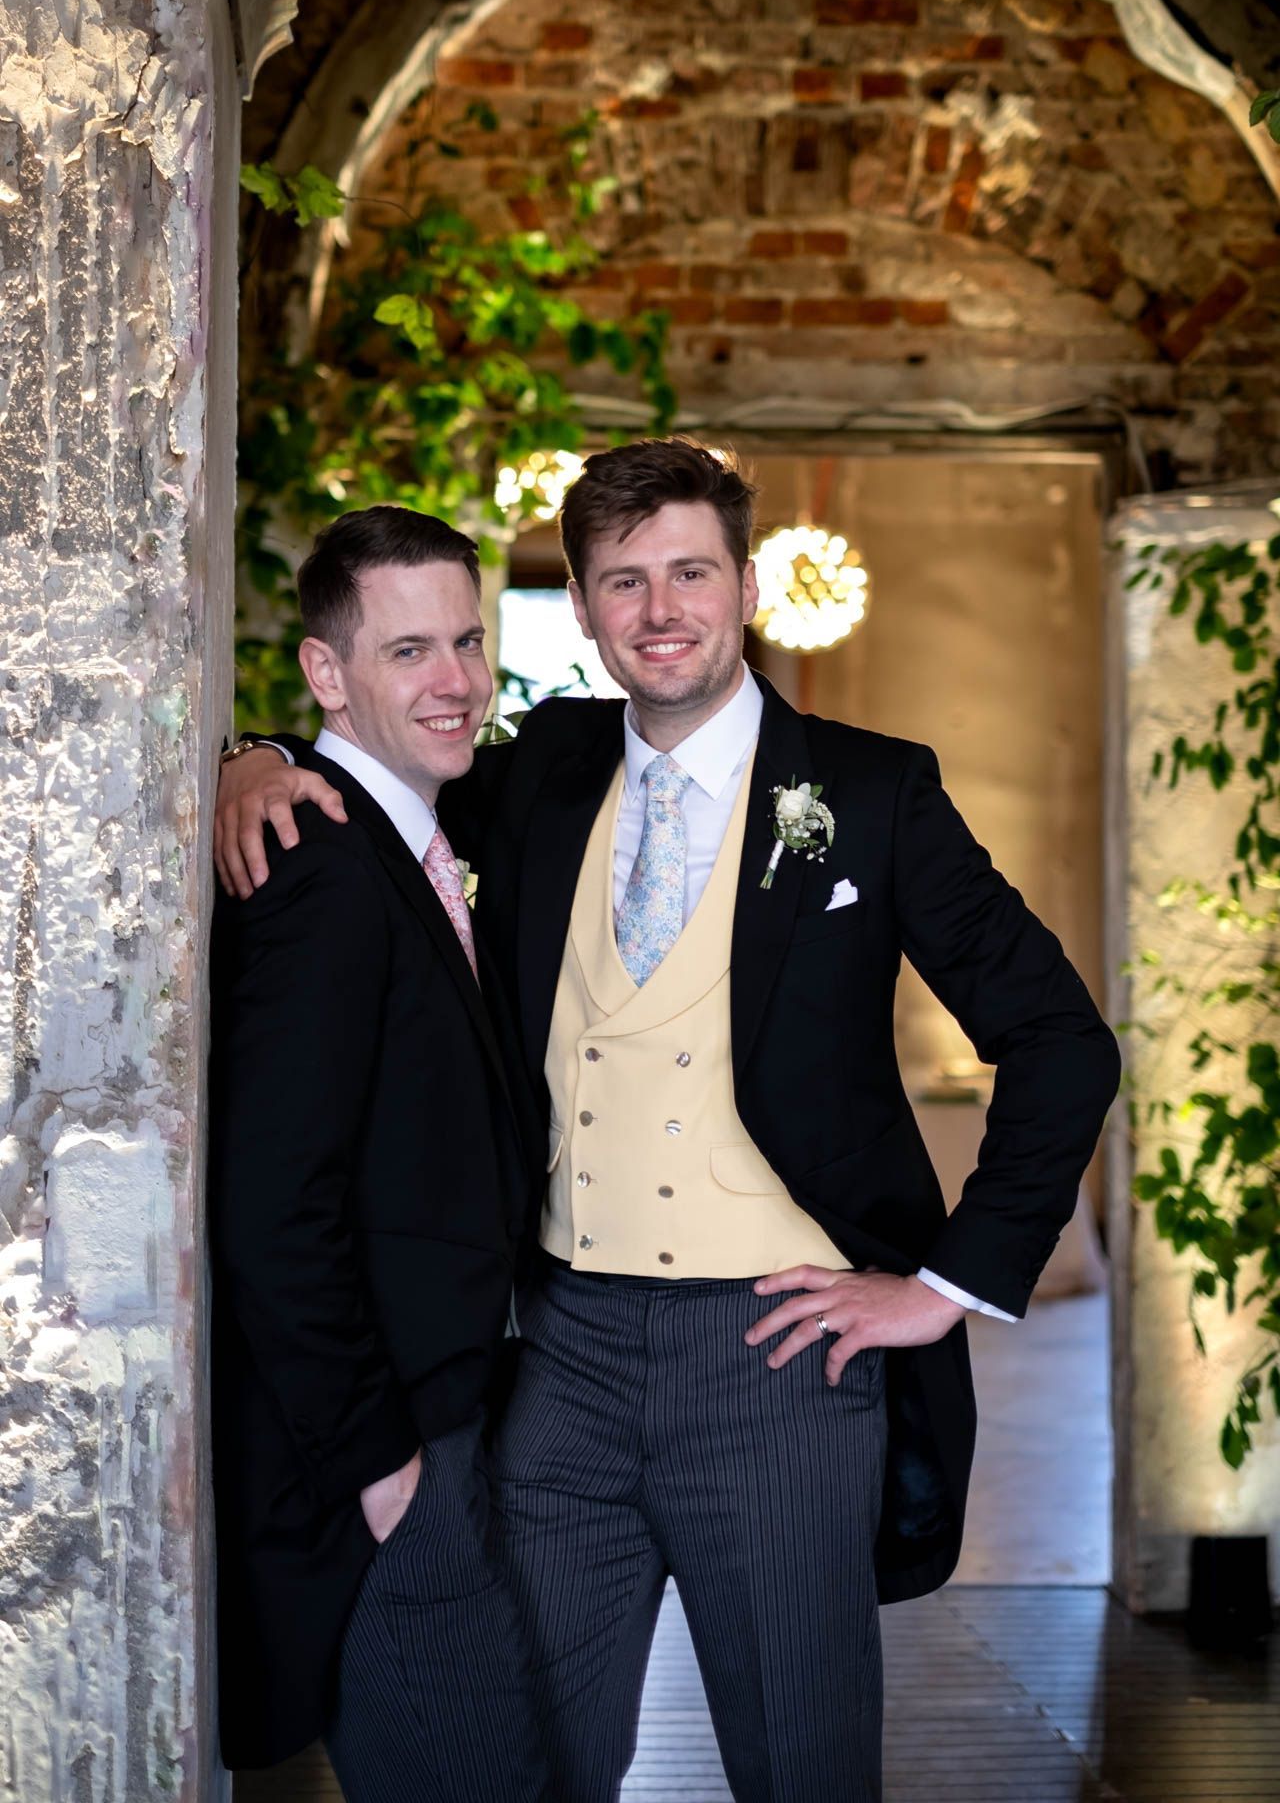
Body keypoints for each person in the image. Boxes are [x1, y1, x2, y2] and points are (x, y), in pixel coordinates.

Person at [215, 439, 1121, 1803]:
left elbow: (1062, 1042)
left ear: (746, 585)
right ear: (579, 610)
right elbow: (378, 759)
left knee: (800, 1767)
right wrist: (248, 761)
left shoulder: (867, 798)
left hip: (774, 1362)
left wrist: (945, 1285)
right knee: (536, 1765)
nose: (661, 611)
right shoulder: (544, 774)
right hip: (559, 1363)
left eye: (692, 571)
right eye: (621, 582)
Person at [209, 506, 548, 1801]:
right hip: (387, 1448)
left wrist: (248, 752)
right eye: (408, 652)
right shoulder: (321, 864)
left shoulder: (416, 834)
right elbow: (270, 1204)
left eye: (467, 640)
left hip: (451, 1420)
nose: (454, 680)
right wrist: (381, 1466)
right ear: (325, 671)